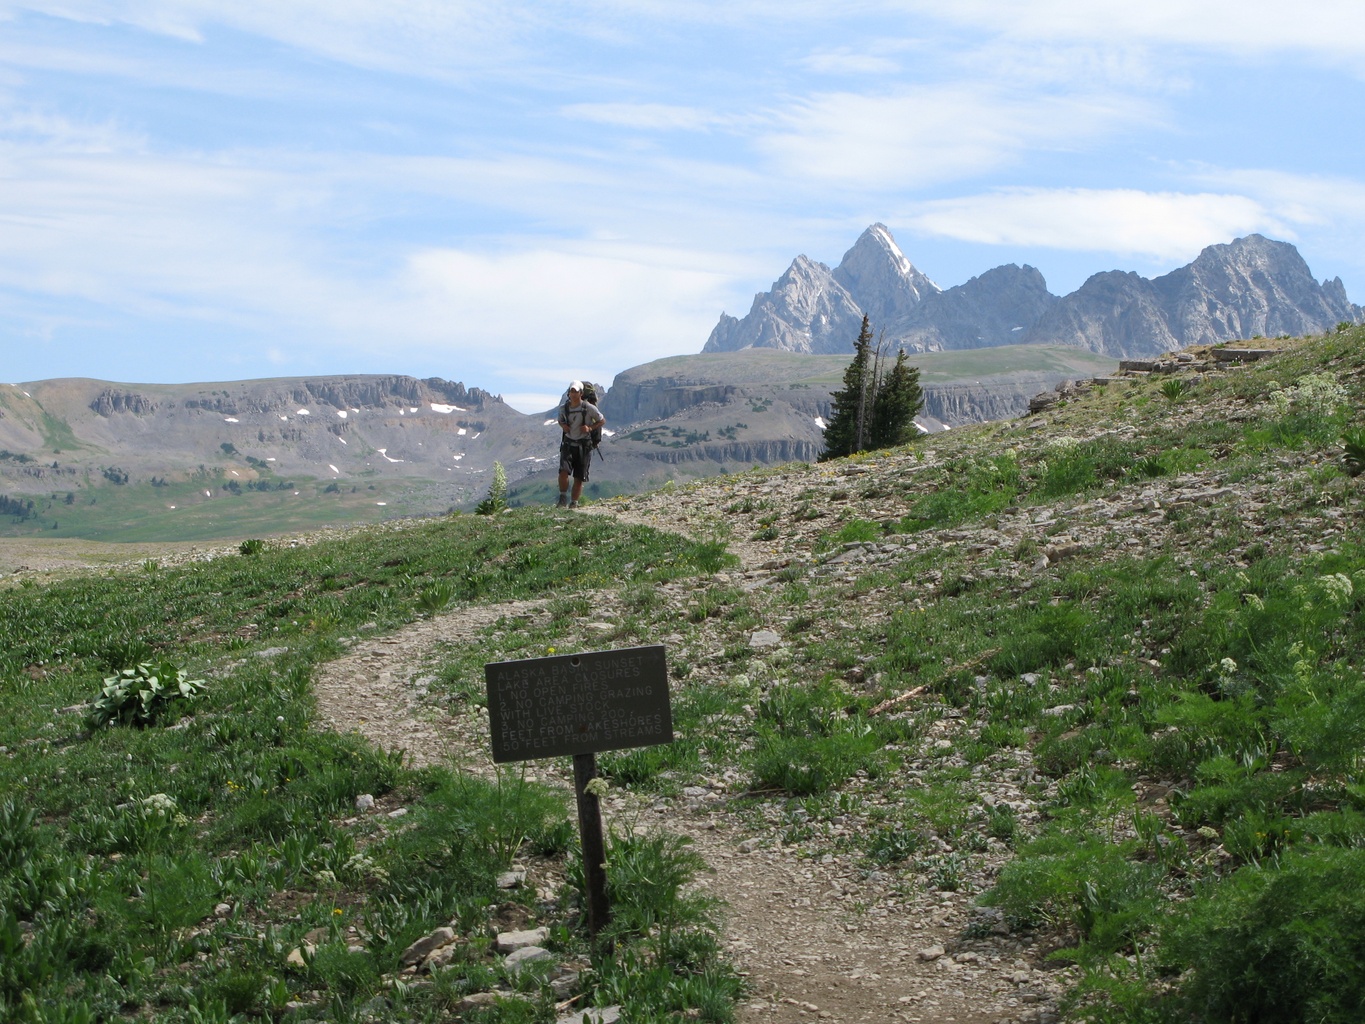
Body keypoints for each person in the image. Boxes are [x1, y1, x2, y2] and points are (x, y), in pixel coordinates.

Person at [557, 380, 605, 508]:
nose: (573, 394)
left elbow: (602, 420)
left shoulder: (589, 408)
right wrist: (563, 426)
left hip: (584, 445)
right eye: (571, 391)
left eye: (575, 392)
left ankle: (574, 503)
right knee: (563, 472)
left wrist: (589, 428)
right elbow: (560, 420)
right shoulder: (564, 408)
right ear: (568, 393)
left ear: (581, 393)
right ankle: (563, 499)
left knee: (578, 477)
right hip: (568, 443)